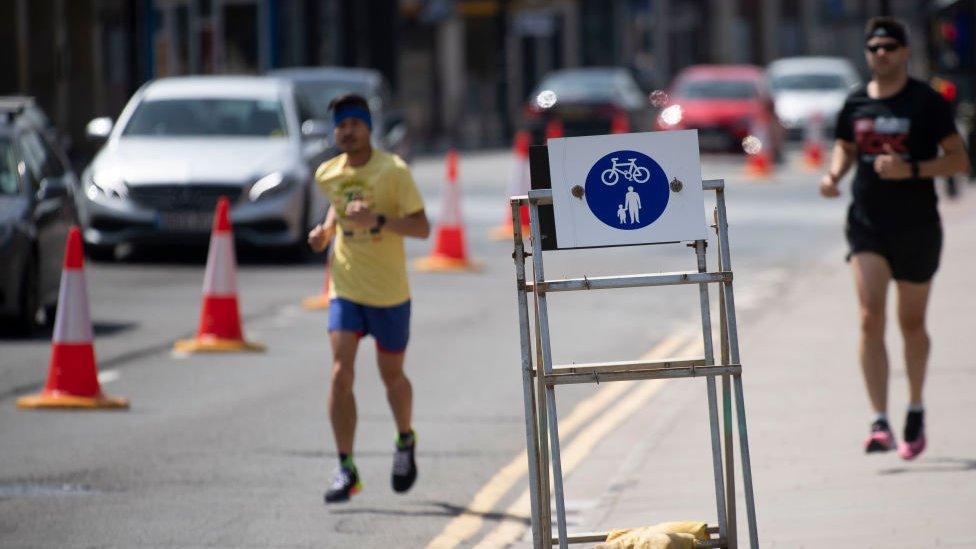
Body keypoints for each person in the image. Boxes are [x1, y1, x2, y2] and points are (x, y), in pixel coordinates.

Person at [820, 17, 970, 460]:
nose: (881, 54)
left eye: (889, 47)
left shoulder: (925, 102)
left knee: (911, 324)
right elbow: (846, 145)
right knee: (869, 317)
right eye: (874, 48)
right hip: (867, 224)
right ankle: (879, 421)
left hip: (918, 226)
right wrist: (832, 176)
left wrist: (914, 170)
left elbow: (959, 159)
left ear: (904, 52)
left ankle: (916, 407)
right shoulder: (854, 102)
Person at [307, 94, 431, 502]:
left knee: (391, 375)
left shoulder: (393, 171)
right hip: (346, 285)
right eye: (340, 125)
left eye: (354, 123)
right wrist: (326, 231)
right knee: (340, 374)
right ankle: (346, 469)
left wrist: (377, 220)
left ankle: (405, 440)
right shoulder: (327, 173)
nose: (346, 131)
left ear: (368, 128)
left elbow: (422, 228)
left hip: (390, 290)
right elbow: (338, 208)